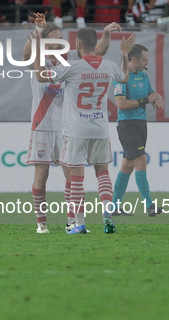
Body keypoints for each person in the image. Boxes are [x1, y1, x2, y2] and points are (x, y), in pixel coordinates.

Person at [24, 15, 121, 234]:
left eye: (61, 39)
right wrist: (37, 34)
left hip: (68, 126)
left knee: (72, 174)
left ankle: (72, 221)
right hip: (43, 124)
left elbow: (99, 51)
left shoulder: (70, 57)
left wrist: (105, 34)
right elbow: (26, 54)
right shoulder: (39, 58)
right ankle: (41, 223)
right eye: (54, 40)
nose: (59, 43)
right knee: (41, 174)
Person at [112, 44, 164, 217]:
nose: (146, 62)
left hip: (141, 124)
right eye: (144, 59)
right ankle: (150, 206)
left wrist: (156, 98)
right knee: (141, 160)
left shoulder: (143, 76)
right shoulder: (121, 77)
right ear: (133, 59)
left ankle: (114, 207)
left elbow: (151, 95)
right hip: (127, 125)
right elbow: (121, 104)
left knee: (127, 166)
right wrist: (146, 100)